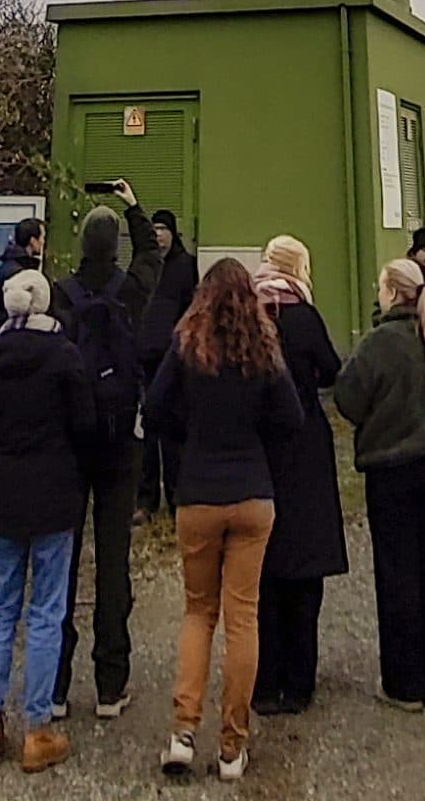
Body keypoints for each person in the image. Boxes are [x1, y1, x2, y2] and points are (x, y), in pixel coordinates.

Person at [143, 256, 303, 780]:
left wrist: (189, 437)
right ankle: (233, 745)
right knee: (243, 617)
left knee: (198, 612)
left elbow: (156, 407)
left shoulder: (187, 347)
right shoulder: (262, 348)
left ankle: (184, 732)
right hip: (253, 493)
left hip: (199, 492)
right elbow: (292, 418)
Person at [0, 268, 95, 772]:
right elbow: (84, 423)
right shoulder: (64, 356)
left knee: (0, 607)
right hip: (55, 493)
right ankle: (38, 726)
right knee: (46, 611)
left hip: (7, 492)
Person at [331, 258, 425, 714]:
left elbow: (347, 395)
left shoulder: (380, 342)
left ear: (390, 292)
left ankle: (405, 683)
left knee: (398, 569)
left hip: (391, 466)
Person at [48, 189, 157, 720]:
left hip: (72, 441)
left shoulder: (61, 295)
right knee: (114, 562)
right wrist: (135, 207)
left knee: (62, 562)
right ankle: (111, 685)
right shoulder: (131, 292)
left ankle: (56, 686)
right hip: (120, 440)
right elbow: (151, 257)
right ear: (115, 246)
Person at [251, 236, 347, 714]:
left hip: (258, 448)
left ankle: (264, 682)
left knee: (262, 569)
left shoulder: (248, 316)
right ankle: (300, 681)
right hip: (305, 446)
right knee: (305, 567)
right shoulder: (304, 318)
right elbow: (331, 371)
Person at [136, 207, 200, 517]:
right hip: (144, 357)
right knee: (146, 431)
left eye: (164, 228)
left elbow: (193, 309)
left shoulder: (186, 266)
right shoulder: (144, 265)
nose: (159, 234)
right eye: (155, 228)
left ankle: (177, 498)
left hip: (174, 358)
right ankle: (145, 499)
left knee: (174, 434)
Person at [0, 215, 48, 329]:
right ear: (33, 241)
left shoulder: (8, 266)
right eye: (42, 237)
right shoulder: (18, 273)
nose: (43, 242)